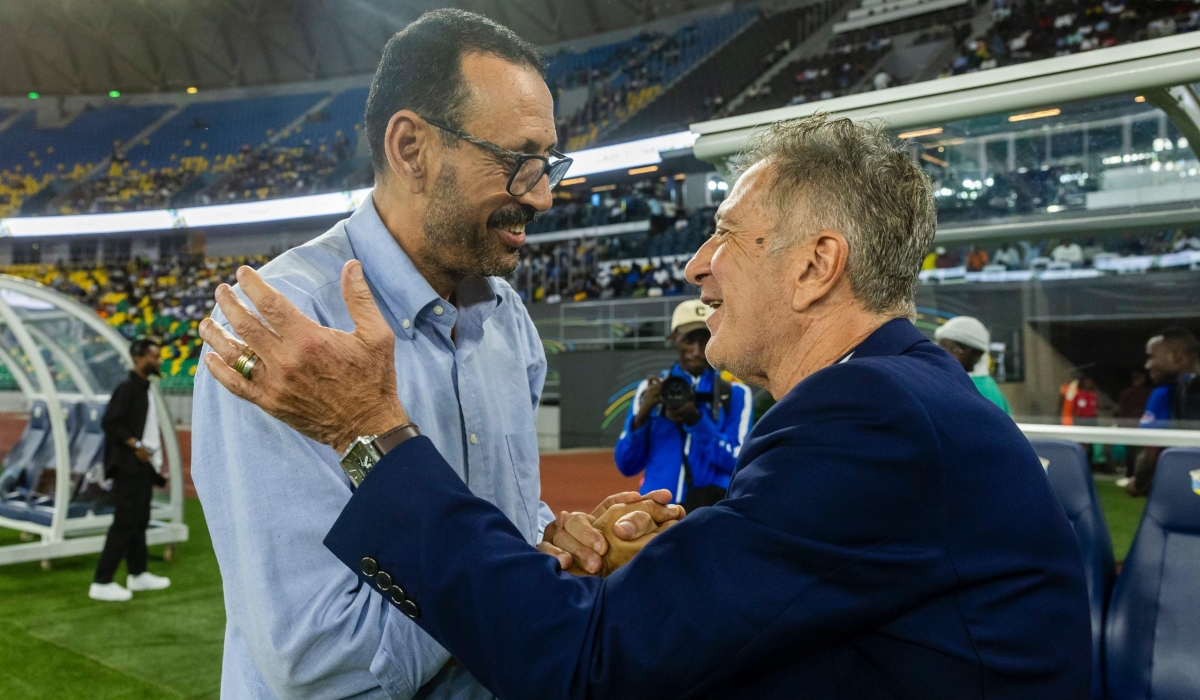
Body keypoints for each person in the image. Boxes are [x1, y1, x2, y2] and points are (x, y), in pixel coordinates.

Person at [200, 113, 1091, 699]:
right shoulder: (891, 398)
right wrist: (679, 560)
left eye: (726, 236)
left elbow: (585, 666)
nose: (696, 268)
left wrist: (370, 431)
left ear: (817, 265)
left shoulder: (872, 417)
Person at [189, 11, 679, 699]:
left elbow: (508, 518)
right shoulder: (280, 330)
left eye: (549, 162)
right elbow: (317, 661)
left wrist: (559, 538)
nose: (542, 193)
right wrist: (528, 577)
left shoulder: (507, 320)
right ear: (411, 148)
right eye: (518, 161)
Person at [614, 298, 753, 510]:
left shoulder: (734, 394)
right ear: (674, 338)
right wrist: (642, 416)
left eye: (704, 339)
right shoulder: (649, 391)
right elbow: (626, 465)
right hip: (655, 511)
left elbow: (738, 463)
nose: (697, 351)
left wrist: (697, 421)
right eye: (689, 340)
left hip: (709, 511)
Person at [89, 339, 171, 602]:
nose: (158, 361)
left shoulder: (146, 389)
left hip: (142, 466)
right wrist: (135, 444)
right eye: (154, 356)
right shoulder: (127, 389)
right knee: (125, 523)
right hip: (129, 467)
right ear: (138, 358)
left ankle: (137, 574)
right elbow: (110, 422)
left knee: (139, 521)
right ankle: (102, 581)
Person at [1126, 327, 1200, 496]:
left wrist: (1138, 484)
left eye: (1152, 357)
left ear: (1177, 356)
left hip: (1180, 491)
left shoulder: (1164, 394)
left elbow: (1150, 453)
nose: (1147, 365)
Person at [934, 315, 1011, 415]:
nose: (944, 354)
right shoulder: (952, 383)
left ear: (977, 353)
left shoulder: (980, 392)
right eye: (940, 348)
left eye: (953, 348)